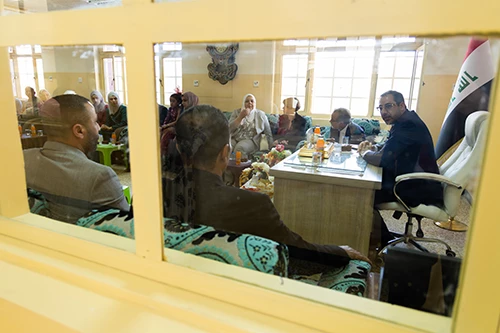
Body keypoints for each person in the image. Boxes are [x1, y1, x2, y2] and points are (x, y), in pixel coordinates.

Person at [164, 104, 370, 265]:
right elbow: (298, 250)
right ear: (225, 153)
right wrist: (341, 252)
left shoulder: (159, 191)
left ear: (180, 149)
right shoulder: (251, 204)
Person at [23, 94, 129, 224]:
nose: (98, 128)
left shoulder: (24, 159)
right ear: (79, 131)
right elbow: (127, 228)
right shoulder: (100, 177)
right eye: (95, 122)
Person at [358, 90, 442, 244]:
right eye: (381, 108)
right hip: (410, 179)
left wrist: (365, 153)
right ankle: (377, 237)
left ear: (402, 105)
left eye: (388, 106)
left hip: (415, 187)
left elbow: (384, 159)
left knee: (359, 195)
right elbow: (389, 147)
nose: (384, 112)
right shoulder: (404, 121)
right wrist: (373, 148)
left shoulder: (408, 125)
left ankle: (382, 241)